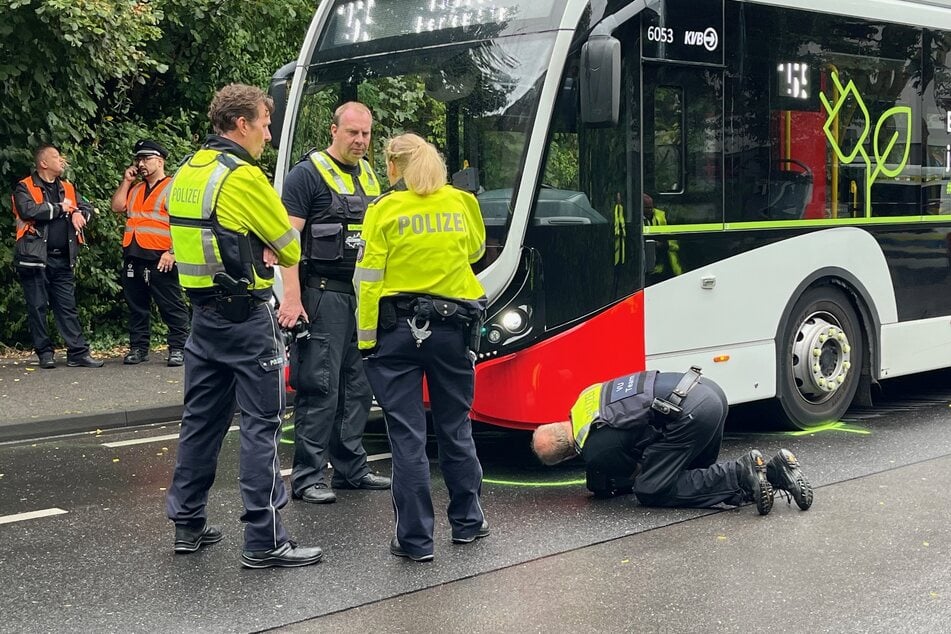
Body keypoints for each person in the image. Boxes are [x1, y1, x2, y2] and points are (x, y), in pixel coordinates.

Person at [164, 83, 322, 569]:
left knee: (201, 423)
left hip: (202, 319)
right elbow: (290, 245)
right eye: (265, 124)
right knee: (262, 426)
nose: (268, 136)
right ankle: (265, 539)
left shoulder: (187, 171)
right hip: (247, 318)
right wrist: (267, 244)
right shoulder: (243, 177)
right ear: (241, 125)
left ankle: (188, 524)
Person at [354, 133, 489, 561]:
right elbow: (476, 250)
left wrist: (365, 341)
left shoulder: (384, 210)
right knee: (455, 428)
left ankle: (415, 542)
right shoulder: (461, 203)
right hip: (451, 331)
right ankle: (468, 524)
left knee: (408, 439)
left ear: (393, 167)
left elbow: (368, 280)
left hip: (395, 332)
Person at [278, 101, 390, 504]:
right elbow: (285, 244)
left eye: (366, 134)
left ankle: (351, 469)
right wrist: (292, 299)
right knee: (319, 386)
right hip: (322, 294)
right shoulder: (306, 176)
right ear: (334, 130)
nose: (360, 141)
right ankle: (308, 477)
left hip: (361, 298)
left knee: (358, 388)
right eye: (352, 133)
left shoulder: (371, 177)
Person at [531, 368, 814, 515]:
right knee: (690, 476)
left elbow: (638, 473)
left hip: (690, 413)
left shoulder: (593, 446)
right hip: (708, 391)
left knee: (652, 488)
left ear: (567, 457)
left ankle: (742, 473)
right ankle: (776, 471)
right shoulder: (586, 399)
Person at [12, 144, 103, 369]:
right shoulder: (24, 187)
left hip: (63, 257)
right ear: (43, 163)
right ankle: (45, 353)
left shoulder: (68, 187)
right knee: (37, 306)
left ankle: (78, 352)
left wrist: (80, 214)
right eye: (56, 157)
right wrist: (61, 209)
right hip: (33, 258)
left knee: (67, 305)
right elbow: (28, 211)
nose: (62, 160)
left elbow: (86, 206)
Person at [110, 139, 190, 367]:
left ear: (160, 160)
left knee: (171, 305)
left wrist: (173, 252)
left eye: (146, 158)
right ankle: (138, 348)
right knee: (136, 306)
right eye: (138, 159)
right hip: (134, 254)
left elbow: (182, 223)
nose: (141, 163)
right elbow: (117, 206)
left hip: (160, 256)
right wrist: (126, 181)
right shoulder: (135, 188)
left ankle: (178, 347)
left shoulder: (173, 187)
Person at [642, 194, 682, 278]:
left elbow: (668, 237)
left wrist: (662, 244)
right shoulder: (636, 217)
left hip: (662, 256)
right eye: (647, 208)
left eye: (651, 207)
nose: (650, 210)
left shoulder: (660, 216)